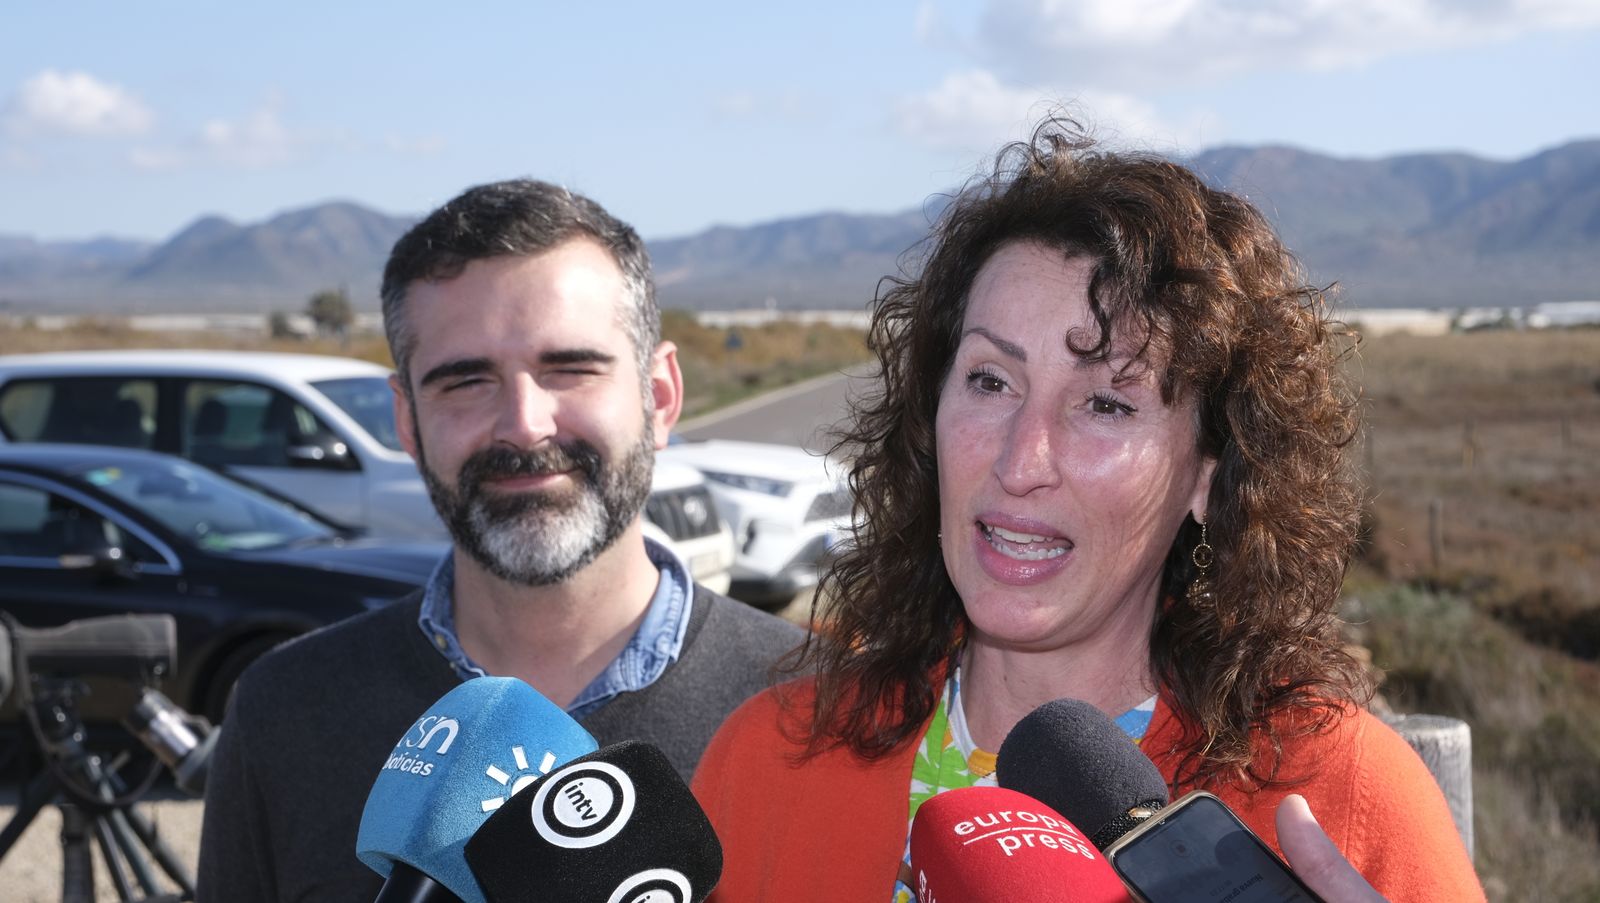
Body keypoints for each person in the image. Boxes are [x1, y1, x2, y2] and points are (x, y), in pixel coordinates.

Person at [690, 120, 1484, 901]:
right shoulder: (770, 760)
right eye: (990, 381)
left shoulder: (1343, 798)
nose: (1020, 461)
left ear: (1211, 472)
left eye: (1106, 402)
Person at [198, 179, 803, 902]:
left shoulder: (823, 709)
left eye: (570, 368)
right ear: (407, 422)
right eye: (465, 381)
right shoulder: (285, 710)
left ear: (660, 395)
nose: (524, 424)